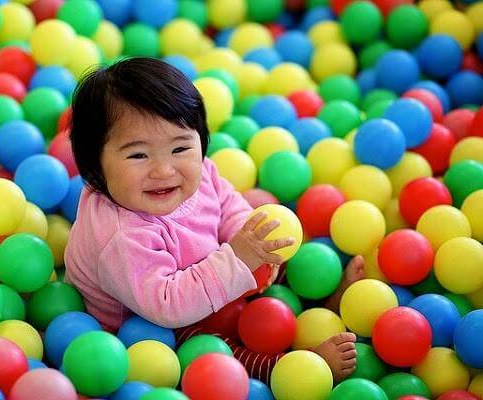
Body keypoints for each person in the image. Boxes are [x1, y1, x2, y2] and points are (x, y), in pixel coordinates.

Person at [65, 57, 362, 384]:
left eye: (180, 148)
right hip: (150, 324)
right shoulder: (121, 234)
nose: (164, 170)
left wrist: (248, 242)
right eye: (138, 155)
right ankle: (291, 369)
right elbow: (167, 305)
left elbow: (227, 202)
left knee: (282, 248)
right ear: (95, 166)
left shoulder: (200, 171)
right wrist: (235, 259)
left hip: (208, 271)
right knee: (210, 351)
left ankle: (325, 300)